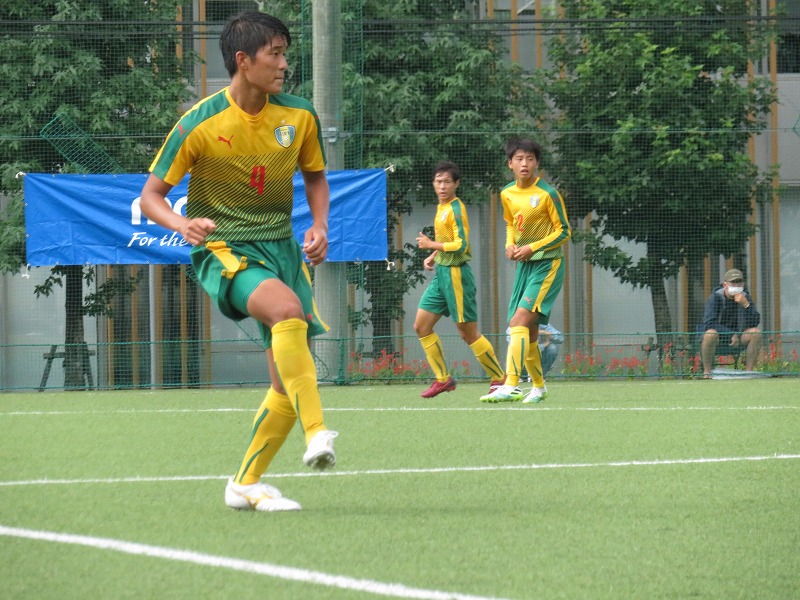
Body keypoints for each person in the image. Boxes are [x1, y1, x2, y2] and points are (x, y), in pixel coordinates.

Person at [140, 11, 337, 512]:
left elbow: (315, 177)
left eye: (286, 54)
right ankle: (318, 431)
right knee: (287, 310)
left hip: (282, 248)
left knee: (284, 383)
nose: (285, 64)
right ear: (243, 61)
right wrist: (181, 224)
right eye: (276, 54)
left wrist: (320, 225)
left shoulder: (300, 116)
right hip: (225, 248)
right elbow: (150, 197)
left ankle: (245, 484)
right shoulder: (199, 122)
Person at [481, 138, 571, 404]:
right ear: (510, 163)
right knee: (529, 332)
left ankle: (511, 384)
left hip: (548, 265)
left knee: (517, 322)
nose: (525, 164)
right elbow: (510, 223)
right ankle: (539, 388)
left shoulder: (548, 194)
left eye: (530, 159)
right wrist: (509, 245)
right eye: (519, 158)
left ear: (537, 163)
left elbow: (564, 231)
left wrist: (533, 247)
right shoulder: (506, 193)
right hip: (525, 267)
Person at [414, 161, 505, 398]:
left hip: (456, 275)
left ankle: (500, 378)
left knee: (467, 332)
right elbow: (447, 240)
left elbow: (461, 245)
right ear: (433, 183)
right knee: (421, 326)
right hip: (442, 273)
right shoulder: (441, 207)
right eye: (438, 181)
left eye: (447, 182)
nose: (442, 186)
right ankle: (443, 379)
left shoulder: (456, 209)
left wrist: (431, 245)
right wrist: (433, 255)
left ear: (456, 184)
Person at [700, 268, 762, 377]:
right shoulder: (715, 297)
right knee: (710, 334)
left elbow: (755, 321)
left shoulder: (745, 297)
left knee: (756, 333)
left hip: (740, 336)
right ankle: (707, 373)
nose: (736, 285)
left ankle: (749, 373)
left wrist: (746, 305)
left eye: (739, 282)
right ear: (725, 284)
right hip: (719, 337)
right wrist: (730, 334)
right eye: (733, 282)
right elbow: (709, 322)